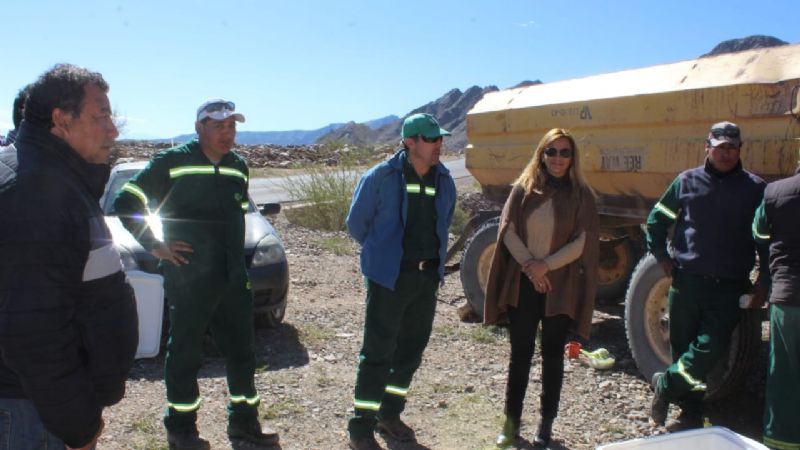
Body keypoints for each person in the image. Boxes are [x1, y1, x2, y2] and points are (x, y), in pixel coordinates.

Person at [113, 100, 278, 450]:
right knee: (186, 354)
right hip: (189, 277)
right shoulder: (172, 162)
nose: (227, 134)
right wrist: (155, 244)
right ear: (199, 127)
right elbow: (127, 201)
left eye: (232, 126)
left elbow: (238, 213)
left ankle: (244, 424)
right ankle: (181, 430)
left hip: (233, 277)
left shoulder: (238, 166)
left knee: (242, 352)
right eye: (218, 126)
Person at [0, 64, 138, 449]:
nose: (113, 130)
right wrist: (78, 425)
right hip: (30, 413)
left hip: (34, 406)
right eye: (102, 116)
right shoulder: (36, 192)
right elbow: (33, 334)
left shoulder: (49, 177)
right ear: (62, 120)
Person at [646, 121, 768, 431]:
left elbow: (766, 240)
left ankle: (665, 386)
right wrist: (662, 257)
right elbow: (657, 221)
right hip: (687, 283)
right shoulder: (686, 182)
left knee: (709, 349)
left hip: (729, 287)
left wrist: (764, 279)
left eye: (732, 147)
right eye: (720, 147)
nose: (726, 153)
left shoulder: (755, 189)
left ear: (740, 150)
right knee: (683, 349)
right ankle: (691, 412)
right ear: (707, 148)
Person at [345, 113, 457, 450]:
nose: (439, 144)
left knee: (410, 351)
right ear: (410, 142)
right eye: (431, 138)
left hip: (426, 278)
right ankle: (361, 428)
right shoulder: (381, 177)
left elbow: (445, 221)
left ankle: (389, 413)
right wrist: (383, 255)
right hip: (389, 279)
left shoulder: (444, 179)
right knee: (377, 352)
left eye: (440, 138)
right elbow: (357, 224)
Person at [484, 128, 599, 448]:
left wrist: (545, 266)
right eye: (552, 151)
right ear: (542, 154)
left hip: (559, 286)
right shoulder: (523, 189)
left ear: (572, 158)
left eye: (564, 152)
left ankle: (545, 426)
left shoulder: (581, 195)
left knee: (552, 356)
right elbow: (507, 230)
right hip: (523, 283)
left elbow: (583, 242)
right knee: (520, 355)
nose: (558, 158)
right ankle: (511, 424)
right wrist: (531, 267)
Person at [752, 158, 800, 450]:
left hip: (787, 297)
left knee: (783, 374)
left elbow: (759, 232)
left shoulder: (775, 192)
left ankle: (780, 441)